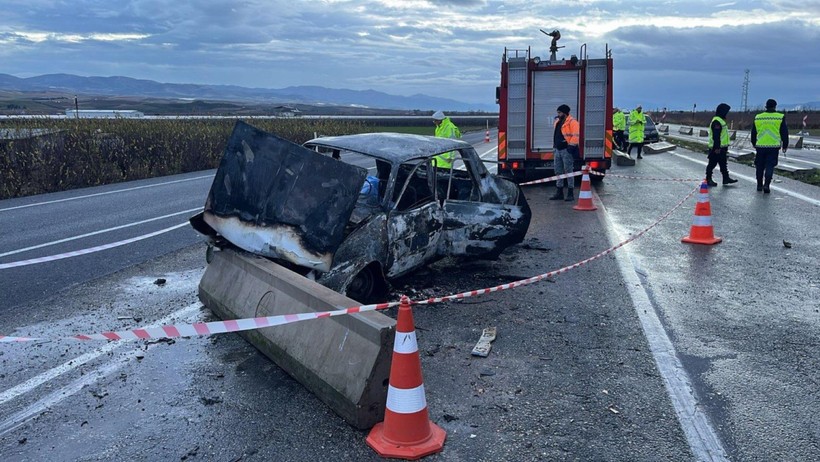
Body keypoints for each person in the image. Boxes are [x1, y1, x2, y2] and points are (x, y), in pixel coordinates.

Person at [751, 99, 789, 194]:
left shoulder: (758, 117)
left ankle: (759, 185)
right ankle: (767, 185)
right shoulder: (780, 117)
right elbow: (784, 132)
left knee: (759, 165)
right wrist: (785, 145)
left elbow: (753, 132)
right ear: (775, 106)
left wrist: (754, 143)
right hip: (773, 146)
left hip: (760, 146)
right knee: (770, 165)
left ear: (766, 106)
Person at [550, 104, 580, 202]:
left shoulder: (572, 122)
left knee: (568, 171)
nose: (558, 114)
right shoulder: (558, 122)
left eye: (559, 112)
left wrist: (570, 147)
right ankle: (559, 192)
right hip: (558, 150)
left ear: (565, 113)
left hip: (566, 150)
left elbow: (576, 135)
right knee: (558, 171)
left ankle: (570, 193)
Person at [705, 103, 738, 187]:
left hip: (722, 147)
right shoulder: (717, 121)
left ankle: (726, 178)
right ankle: (708, 179)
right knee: (712, 164)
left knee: (723, 163)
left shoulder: (720, 120)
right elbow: (716, 135)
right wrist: (717, 147)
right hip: (717, 147)